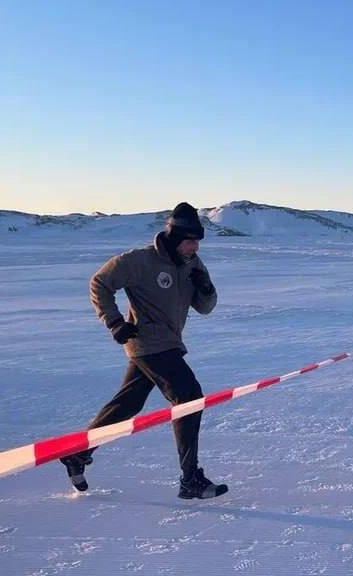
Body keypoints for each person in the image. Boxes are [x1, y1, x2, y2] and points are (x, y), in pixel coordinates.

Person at [59, 202, 227, 499]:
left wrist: (206, 289)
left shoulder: (193, 265)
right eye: (190, 241)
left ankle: (78, 452)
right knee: (189, 397)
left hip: (169, 342)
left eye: (198, 241)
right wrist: (115, 322)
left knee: (128, 404)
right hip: (148, 343)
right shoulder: (141, 262)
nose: (195, 247)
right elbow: (100, 283)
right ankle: (190, 480)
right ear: (175, 239)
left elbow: (205, 308)